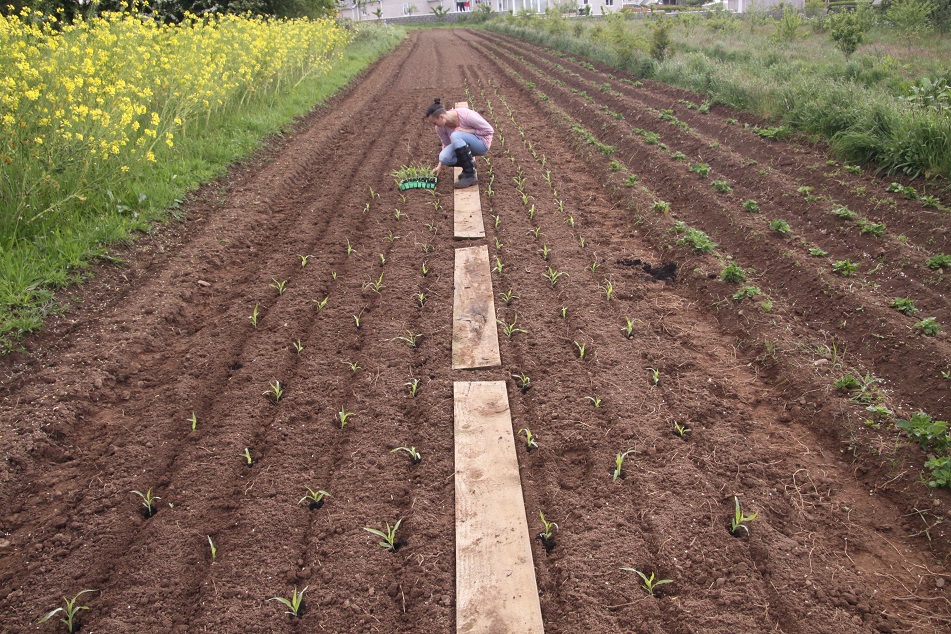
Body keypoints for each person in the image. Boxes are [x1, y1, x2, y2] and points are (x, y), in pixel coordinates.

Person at [424, 98, 494, 189]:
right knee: (444, 157)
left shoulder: (467, 116)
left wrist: (466, 131)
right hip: (464, 146)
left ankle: (470, 175)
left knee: (455, 135)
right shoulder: (440, 128)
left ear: (441, 117)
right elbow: (446, 144)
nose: (435, 125)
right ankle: (469, 165)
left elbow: (489, 130)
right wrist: (439, 166)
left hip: (481, 143)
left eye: (434, 122)